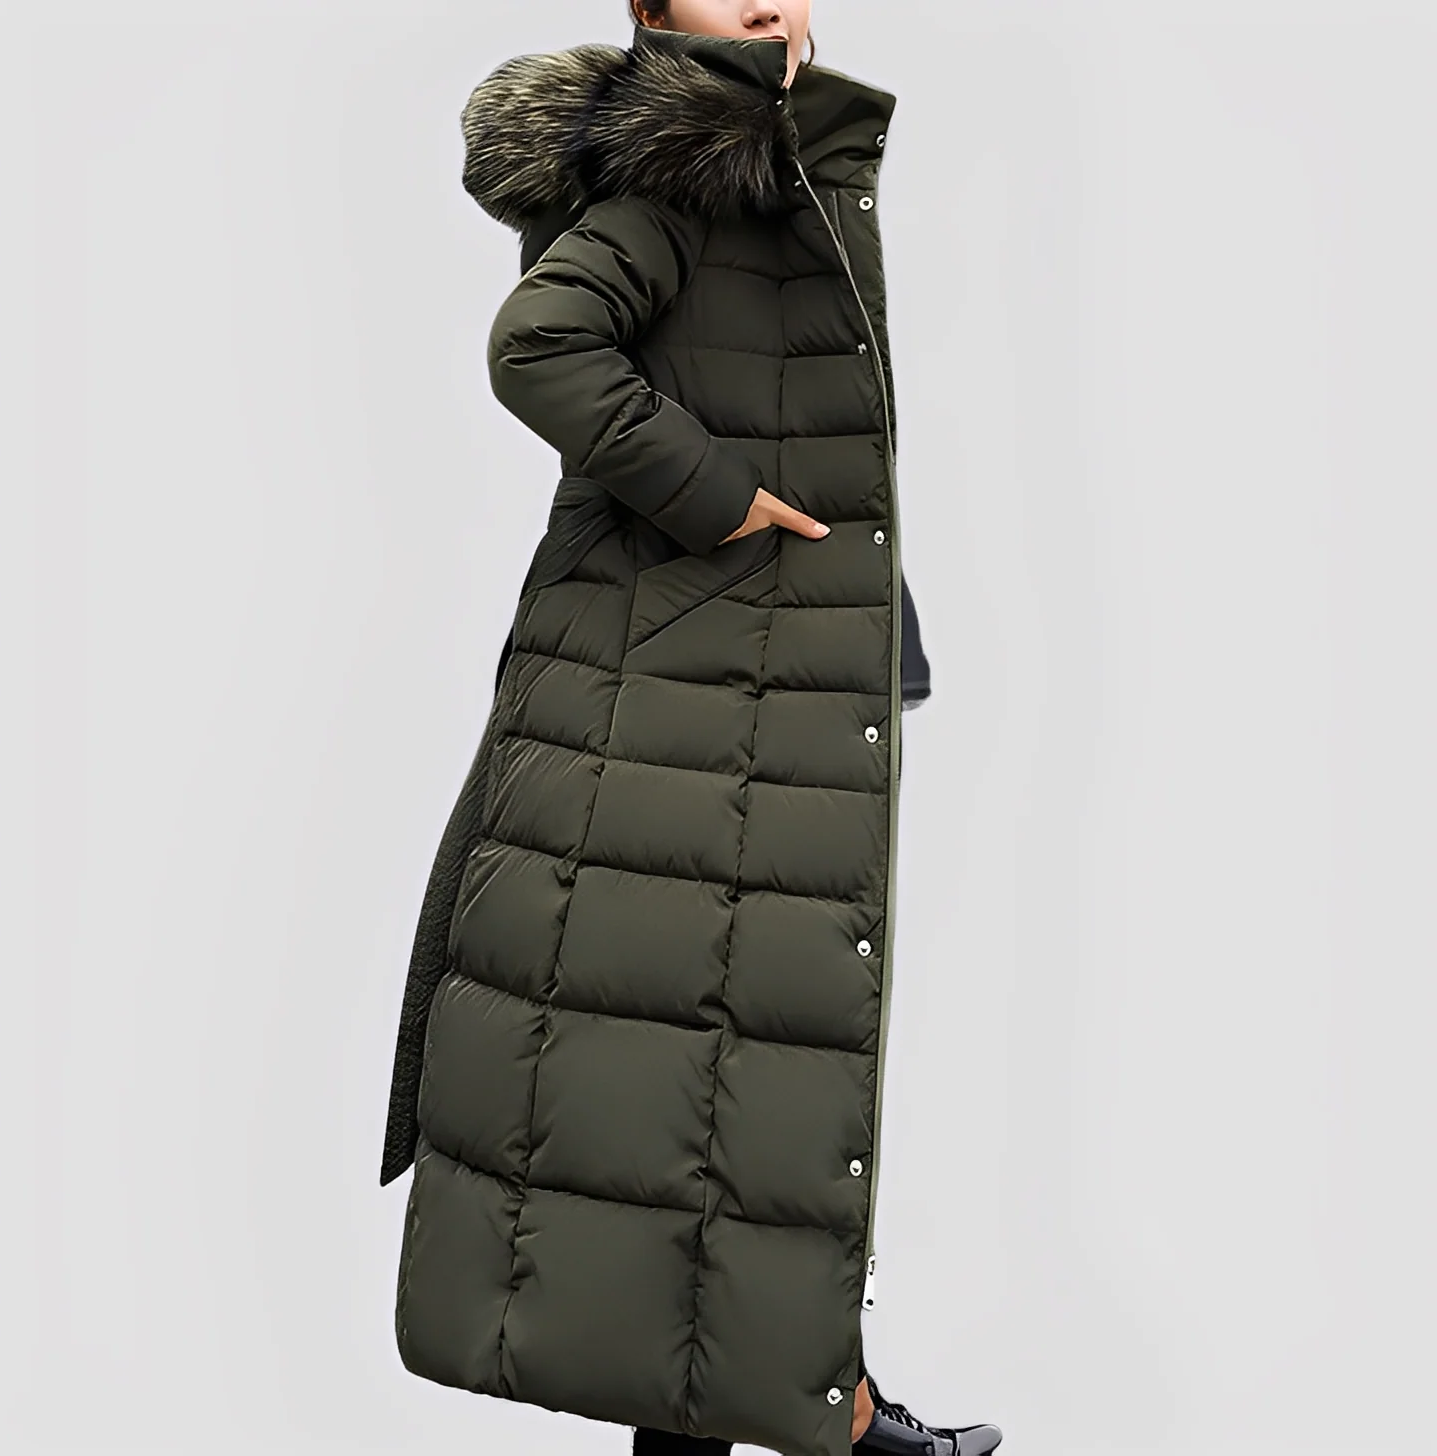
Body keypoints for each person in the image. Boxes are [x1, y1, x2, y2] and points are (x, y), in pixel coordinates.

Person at [378, 4, 1001, 1454]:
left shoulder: (760, 150)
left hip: (735, 670)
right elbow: (540, 343)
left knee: (721, 1075)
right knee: (707, 1063)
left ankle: (810, 1389)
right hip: (679, 683)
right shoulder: (687, 165)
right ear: (655, 14)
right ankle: (818, 1402)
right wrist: (713, 495)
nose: (770, 4)